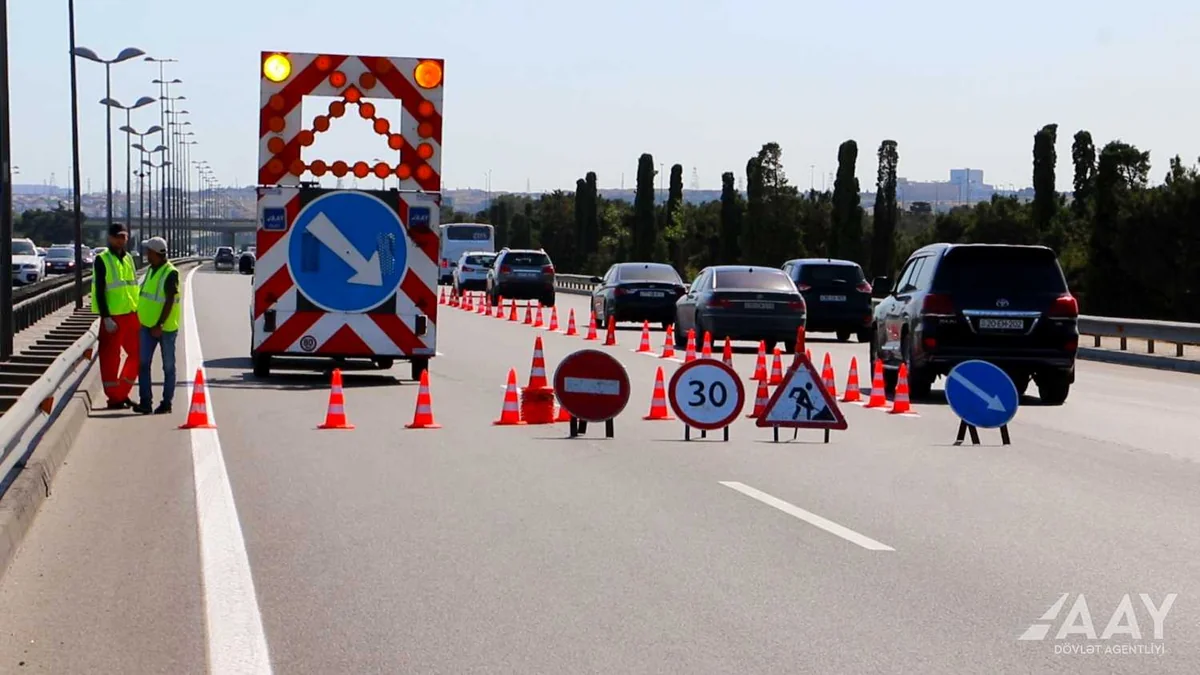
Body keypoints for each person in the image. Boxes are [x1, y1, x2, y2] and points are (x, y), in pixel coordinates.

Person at [91, 223, 140, 409]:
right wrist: (106, 317)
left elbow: (133, 286)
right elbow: (100, 292)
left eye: (124, 237)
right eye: (118, 236)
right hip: (113, 317)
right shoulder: (102, 259)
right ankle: (114, 397)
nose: (122, 240)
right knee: (111, 358)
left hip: (131, 314)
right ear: (110, 238)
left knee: (138, 354)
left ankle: (121, 392)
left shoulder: (128, 258)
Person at [134, 237, 180, 415]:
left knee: (168, 367)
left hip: (165, 328)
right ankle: (145, 402)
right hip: (146, 326)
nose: (146, 254)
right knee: (143, 363)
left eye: (149, 251)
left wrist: (159, 324)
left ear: (156, 253)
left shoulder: (170, 273)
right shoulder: (151, 271)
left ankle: (166, 403)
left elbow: (169, 300)